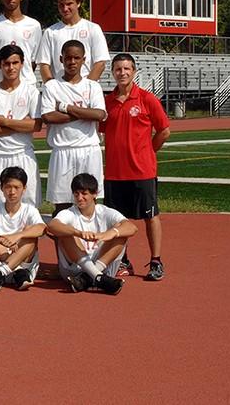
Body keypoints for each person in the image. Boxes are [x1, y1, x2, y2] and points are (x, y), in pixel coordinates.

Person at [101, 53, 171, 280]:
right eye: (118, 69)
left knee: (151, 216)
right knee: (117, 220)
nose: (122, 73)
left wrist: (149, 151)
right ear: (113, 72)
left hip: (142, 172)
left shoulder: (147, 99)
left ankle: (156, 261)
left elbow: (164, 130)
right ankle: (123, 260)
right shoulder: (106, 102)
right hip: (114, 173)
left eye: (127, 68)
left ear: (134, 71)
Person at [40, 40, 107, 215]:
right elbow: (48, 116)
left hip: (88, 150)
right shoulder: (52, 86)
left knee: (90, 203)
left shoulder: (93, 86)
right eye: (68, 58)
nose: (72, 62)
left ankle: (90, 242)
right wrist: (84, 113)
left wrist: (66, 108)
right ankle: (64, 243)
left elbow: (99, 115)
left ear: (84, 59)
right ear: (61, 59)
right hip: (62, 151)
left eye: (76, 58)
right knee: (62, 207)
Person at [47, 173, 138, 294]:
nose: (80, 198)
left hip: (103, 267)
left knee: (121, 233)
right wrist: (78, 233)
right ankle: (98, 277)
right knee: (66, 232)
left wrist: (110, 233)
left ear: (95, 193)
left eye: (84, 194)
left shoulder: (105, 211)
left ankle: (88, 278)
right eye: (76, 194)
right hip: (74, 268)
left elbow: (132, 227)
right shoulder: (69, 213)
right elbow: (52, 225)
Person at [0, 44, 42, 209]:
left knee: (28, 210)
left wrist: (4, 122)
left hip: (23, 155)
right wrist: (22, 124)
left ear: (22, 64)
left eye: (15, 63)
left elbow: (36, 125)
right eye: (6, 63)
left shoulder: (31, 92)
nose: (11, 67)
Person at [0, 166, 46, 292]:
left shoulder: (30, 210)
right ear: (1, 188)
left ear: (24, 188)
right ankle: (16, 269)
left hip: (3, 273)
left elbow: (42, 228)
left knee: (30, 232)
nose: (12, 192)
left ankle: (1, 272)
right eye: (8, 187)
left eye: (17, 187)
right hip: (7, 268)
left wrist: (17, 236)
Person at [36, 0, 110, 82]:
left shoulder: (93, 29)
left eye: (69, 4)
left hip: (85, 92)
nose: (65, 9)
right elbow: (44, 65)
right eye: (61, 5)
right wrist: (53, 88)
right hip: (59, 90)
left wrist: (86, 87)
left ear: (78, 3)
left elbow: (100, 63)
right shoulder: (50, 32)